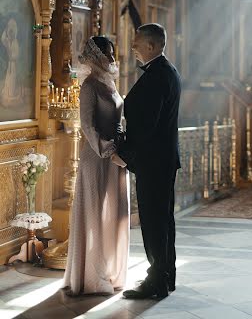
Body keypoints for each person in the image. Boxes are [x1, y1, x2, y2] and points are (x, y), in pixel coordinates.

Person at [62, 36, 129, 296]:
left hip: (116, 157)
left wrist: (121, 145)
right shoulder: (89, 85)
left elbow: (118, 119)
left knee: (114, 212)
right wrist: (108, 150)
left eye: (112, 53)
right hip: (97, 156)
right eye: (107, 53)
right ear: (96, 56)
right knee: (94, 213)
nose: (111, 58)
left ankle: (111, 270)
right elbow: (87, 126)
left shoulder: (109, 82)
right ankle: (91, 275)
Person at [118, 23, 181, 300]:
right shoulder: (166, 71)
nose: (132, 47)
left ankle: (156, 281)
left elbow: (147, 126)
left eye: (137, 42)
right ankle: (166, 275)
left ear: (152, 46)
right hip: (162, 160)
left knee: (155, 222)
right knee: (163, 220)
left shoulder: (157, 76)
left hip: (153, 161)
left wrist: (125, 155)